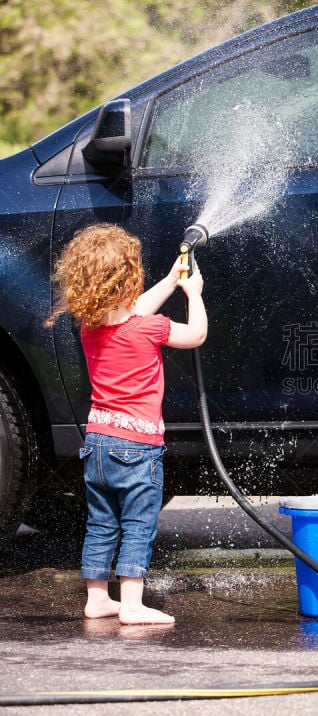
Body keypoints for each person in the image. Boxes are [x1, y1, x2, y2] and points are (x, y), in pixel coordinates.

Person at [46, 223, 207, 624]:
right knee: (138, 523)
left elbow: (131, 313)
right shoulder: (148, 328)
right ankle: (132, 606)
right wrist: (194, 294)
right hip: (138, 448)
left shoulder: (90, 328)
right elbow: (196, 335)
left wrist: (171, 280)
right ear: (128, 281)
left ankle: (97, 598)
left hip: (98, 442)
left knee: (101, 522)